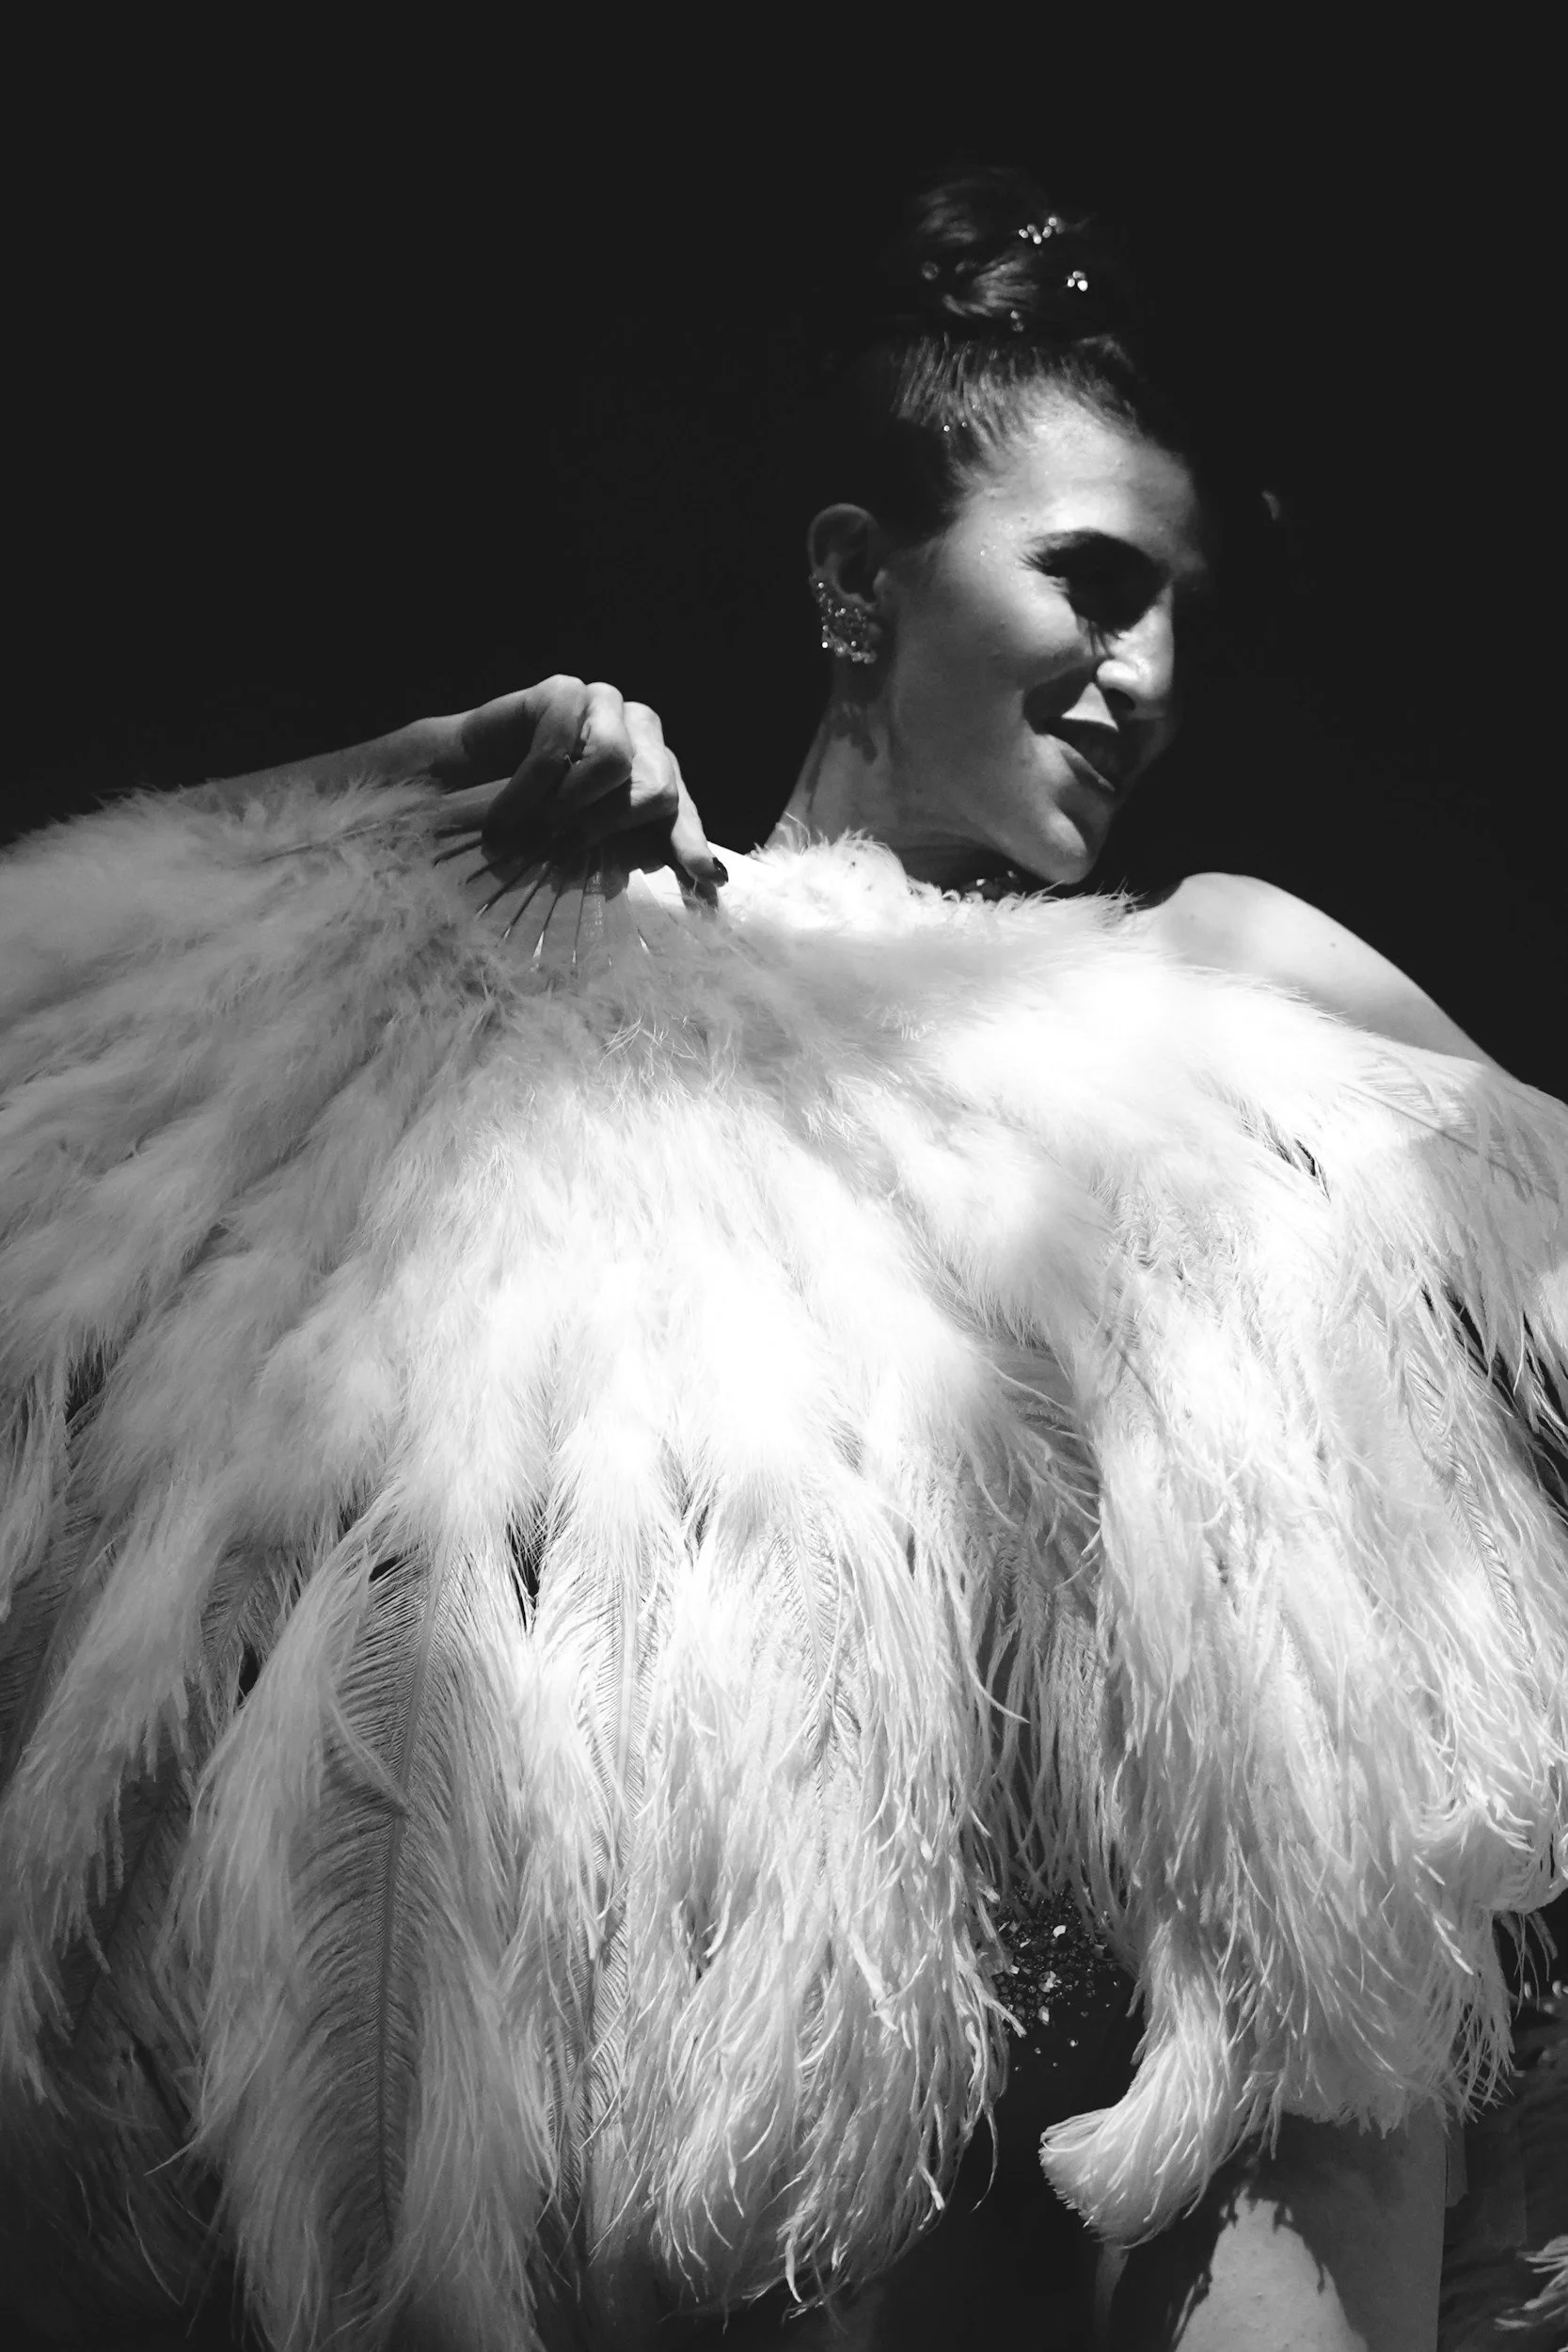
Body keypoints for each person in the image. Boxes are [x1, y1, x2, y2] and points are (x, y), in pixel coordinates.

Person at [1, 170, 1563, 2352]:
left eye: (1183, 614)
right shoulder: (552, 989)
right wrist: (384, 800)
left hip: (1166, 2125)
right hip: (652, 2152)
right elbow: (54, 1044)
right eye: (1089, 587)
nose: (1150, 679)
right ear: (857, 578)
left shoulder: (1209, 969)